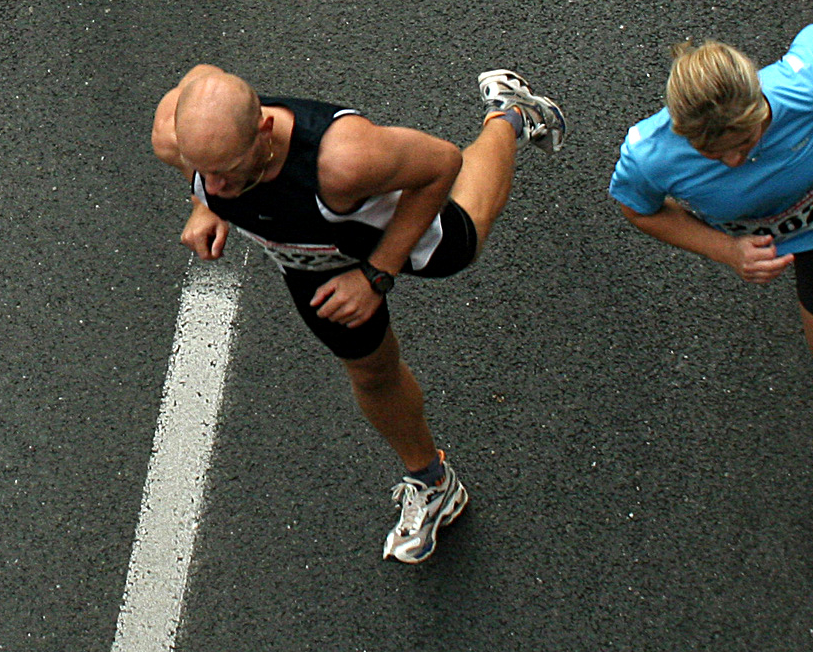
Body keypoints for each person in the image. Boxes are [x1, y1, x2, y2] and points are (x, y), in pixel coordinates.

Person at [152, 64, 567, 562]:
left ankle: (511, 114)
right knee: (371, 373)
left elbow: (441, 164)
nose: (214, 184)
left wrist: (376, 274)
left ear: (263, 129)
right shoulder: (178, 138)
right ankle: (432, 483)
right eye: (203, 171)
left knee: (466, 238)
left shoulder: (346, 159)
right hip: (310, 261)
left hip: (380, 234)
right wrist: (207, 205)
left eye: (226, 171)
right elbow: (203, 86)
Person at [610, 21, 813, 528]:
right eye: (715, 154)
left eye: (746, 140)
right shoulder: (649, 155)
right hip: (750, 234)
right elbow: (636, 207)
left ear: (761, 103)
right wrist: (726, 251)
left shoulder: (798, 88)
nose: (736, 159)